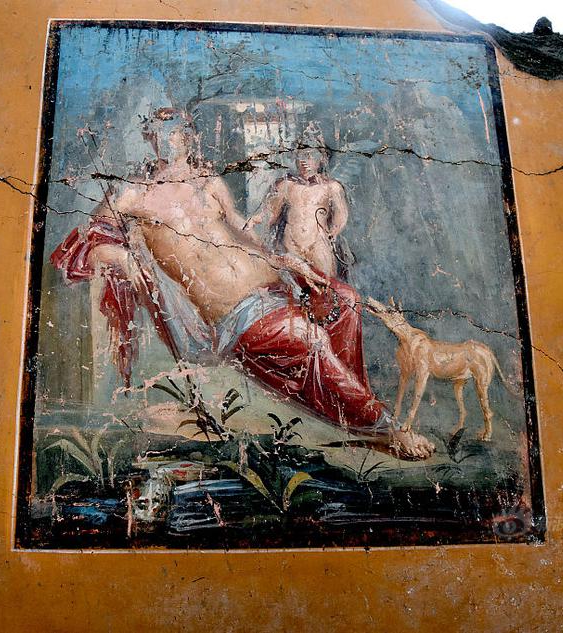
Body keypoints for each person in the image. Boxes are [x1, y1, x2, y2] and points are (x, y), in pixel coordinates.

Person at [50, 108, 434, 459]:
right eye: (162, 132)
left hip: (271, 285)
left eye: (180, 132)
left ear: (190, 138)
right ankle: (385, 428)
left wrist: (287, 263)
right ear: (150, 138)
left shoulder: (209, 183)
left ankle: (353, 413)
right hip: (234, 312)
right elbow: (86, 241)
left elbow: (244, 236)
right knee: (309, 337)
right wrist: (125, 258)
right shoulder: (134, 193)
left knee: (344, 302)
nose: (172, 140)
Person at [244, 122, 354, 279]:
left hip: (318, 246)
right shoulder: (285, 185)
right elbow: (270, 213)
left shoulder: (331, 187)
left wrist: (334, 231)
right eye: (301, 155)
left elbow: (341, 215)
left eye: (310, 156)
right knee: (292, 292)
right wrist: (256, 219)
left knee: (325, 289)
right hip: (291, 247)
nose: (304, 161)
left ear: (321, 159)